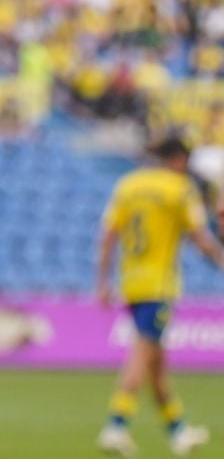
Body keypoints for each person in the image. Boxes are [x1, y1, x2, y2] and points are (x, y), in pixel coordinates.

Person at [95, 134, 224, 457]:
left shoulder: (128, 185)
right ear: (179, 159)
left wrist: (102, 281)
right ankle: (116, 424)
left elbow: (108, 234)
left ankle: (178, 431)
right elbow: (201, 238)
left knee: (156, 362)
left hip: (131, 282)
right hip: (160, 284)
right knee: (143, 351)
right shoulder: (179, 189)